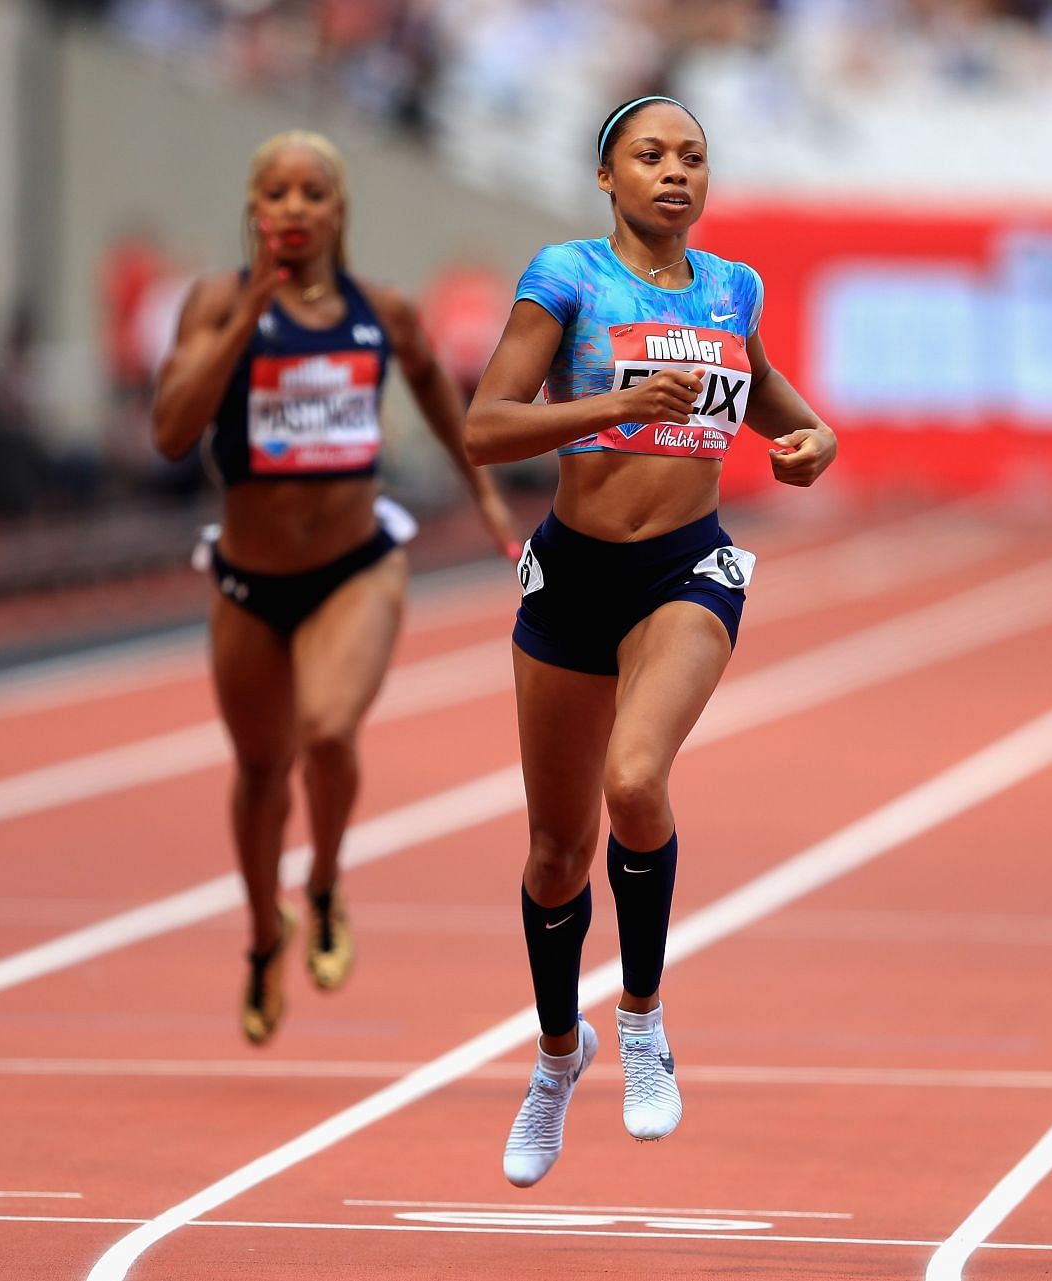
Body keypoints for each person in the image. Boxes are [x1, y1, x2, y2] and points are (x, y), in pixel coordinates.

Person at [466, 95, 839, 1187]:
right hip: (574, 575)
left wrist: (808, 435)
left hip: (686, 570)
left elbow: (766, 396)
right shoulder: (568, 277)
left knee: (638, 779)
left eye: (694, 157)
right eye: (651, 155)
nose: (676, 172)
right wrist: (608, 406)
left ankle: (640, 1021)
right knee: (553, 852)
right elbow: (487, 427)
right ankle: (553, 1058)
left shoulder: (733, 288)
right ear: (607, 176)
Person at [152, 130, 517, 1045]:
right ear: (254, 210)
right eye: (275, 193)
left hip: (355, 565)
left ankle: (322, 881)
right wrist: (246, 326)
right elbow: (169, 431)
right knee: (260, 770)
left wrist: (479, 486)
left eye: (312, 192)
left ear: (338, 210)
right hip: (245, 577)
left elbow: (437, 386)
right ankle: (261, 934)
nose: (294, 208)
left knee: (325, 728)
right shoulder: (215, 301)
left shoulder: (382, 310)